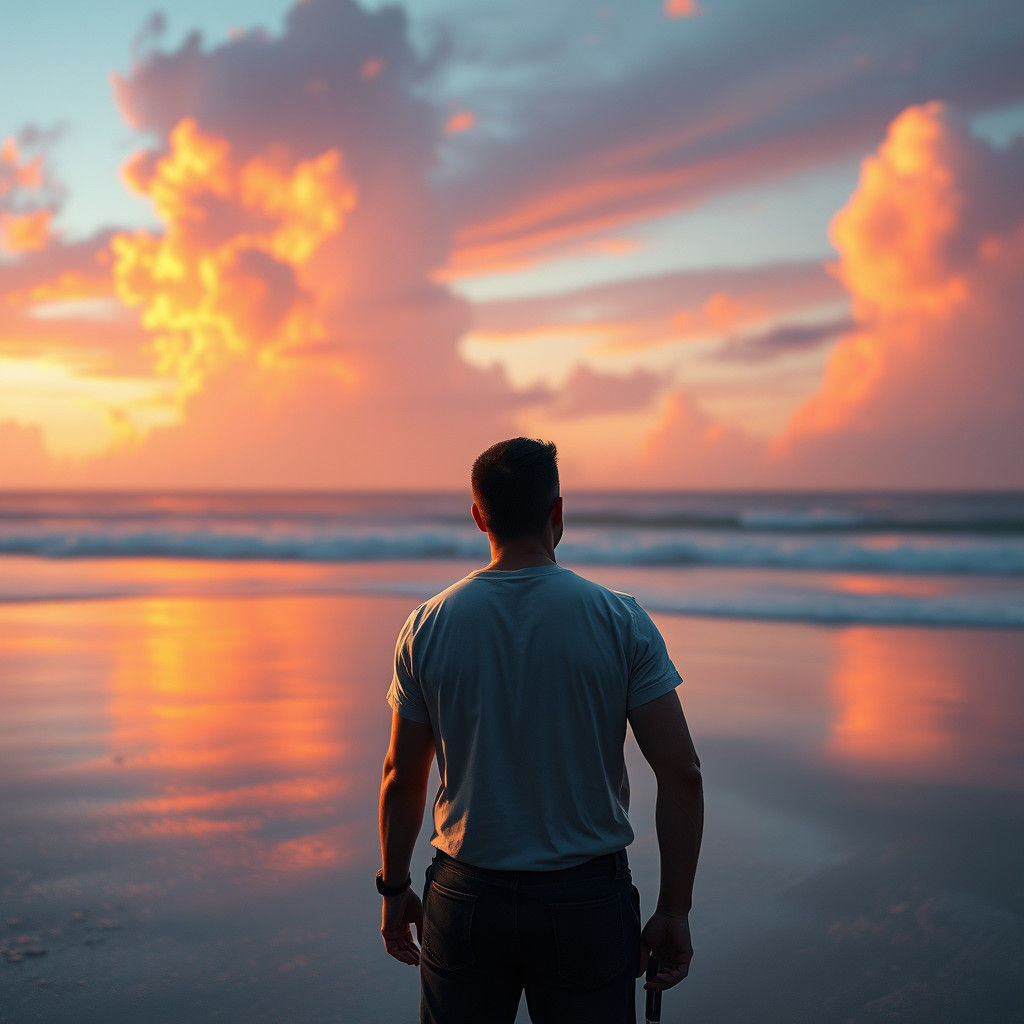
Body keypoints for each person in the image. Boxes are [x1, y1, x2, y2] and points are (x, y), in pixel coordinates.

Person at [377, 437, 703, 1024]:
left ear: (478, 516)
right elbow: (681, 773)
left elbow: (402, 775)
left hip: (465, 891)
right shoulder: (618, 619)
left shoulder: (428, 624)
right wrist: (674, 909)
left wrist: (394, 887)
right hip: (586, 897)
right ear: (557, 511)